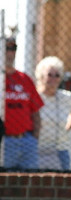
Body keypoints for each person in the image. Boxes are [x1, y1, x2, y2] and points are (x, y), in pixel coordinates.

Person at [35, 56, 71, 170]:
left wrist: (67, 128)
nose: (53, 79)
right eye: (49, 75)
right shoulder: (34, 96)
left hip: (60, 149)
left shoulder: (65, 97)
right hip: (37, 149)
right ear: (41, 76)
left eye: (57, 75)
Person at [3, 37, 44, 170]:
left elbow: (35, 111)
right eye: (6, 49)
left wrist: (34, 139)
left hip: (26, 140)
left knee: (30, 180)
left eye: (13, 49)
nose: (9, 53)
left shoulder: (24, 79)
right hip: (4, 141)